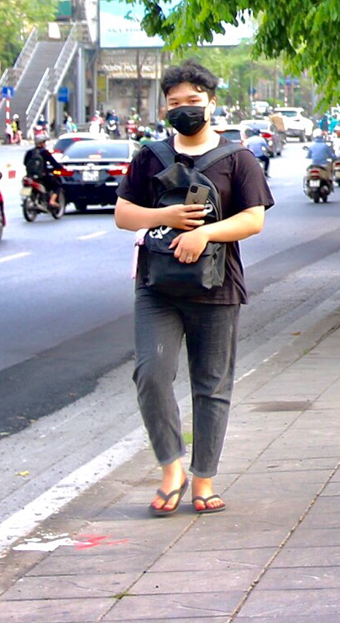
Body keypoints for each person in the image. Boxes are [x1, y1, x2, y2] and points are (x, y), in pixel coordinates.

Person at [116, 61, 272, 517]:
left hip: (217, 285)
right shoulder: (150, 156)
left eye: (193, 101)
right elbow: (124, 213)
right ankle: (171, 468)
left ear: (211, 103)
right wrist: (166, 217)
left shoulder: (237, 159)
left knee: (212, 385)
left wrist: (205, 233)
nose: (184, 109)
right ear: (165, 107)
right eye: (175, 103)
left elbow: (254, 218)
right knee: (151, 374)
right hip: (157, 285)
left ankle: (204, 477)